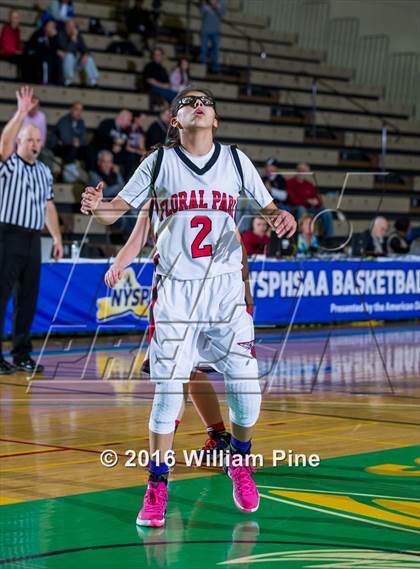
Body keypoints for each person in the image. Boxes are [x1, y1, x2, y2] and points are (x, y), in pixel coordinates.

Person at [81, 87, 296, 526]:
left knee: (246, 392)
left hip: (224, 293)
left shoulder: (236, 161)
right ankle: (157, 485)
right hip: (176, 292)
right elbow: (116, 212)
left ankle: (239, 459)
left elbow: (272, 210)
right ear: (175, 120)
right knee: (166, 395)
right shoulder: (159, 162)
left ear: (215, 118)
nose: (198, 104)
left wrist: (283, 218)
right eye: (187, 102)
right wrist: (95, 205)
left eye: (206, 102)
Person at [103, 207, 255, 456]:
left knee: (180, 375)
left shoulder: (204, 192)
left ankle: (171, 449)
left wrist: (244, 289)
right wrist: (118, 264)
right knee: (188, 373)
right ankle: (217, 437)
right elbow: (136, 238)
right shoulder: (164, 196)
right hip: (190, 298)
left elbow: (237, 246)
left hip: (203, 297)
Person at [0, 86, 63, 375]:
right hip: (7, 235)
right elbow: (3, 143)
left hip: (32, 239)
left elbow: (48, 206)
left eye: (38, 139)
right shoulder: (9, 164)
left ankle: (22, 353)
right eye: (30, 139)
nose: (35, 144)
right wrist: (21, 113)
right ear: (20, 141)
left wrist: (57, 238)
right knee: (1, 296)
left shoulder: (43, 171)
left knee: (28, 299)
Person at [287, 162, 333, 238]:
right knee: (301, 209)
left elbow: (319, 202)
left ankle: (328, 239)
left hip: (309, 209)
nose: (302, 172)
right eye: (300, 170)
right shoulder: (290, 183)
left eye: (304, 170)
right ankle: (303, 239)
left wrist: (316, 202)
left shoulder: (309, 184)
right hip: (294, 209)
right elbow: (293, 200)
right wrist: (307, 201)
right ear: (296, 171)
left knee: (326, 212)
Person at [51, 101, 95, 177]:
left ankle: (91, 174)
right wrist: (74, 141)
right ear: (71, 110)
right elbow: (65, 138)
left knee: (88, 150)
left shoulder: (81, 122)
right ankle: (68, 175)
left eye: (81, 110)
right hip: (58, 147)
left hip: (73, 147)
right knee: (71, 149)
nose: (79, 112)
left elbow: (83, 137)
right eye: (76, 109)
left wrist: (78, 142)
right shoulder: (63, 120)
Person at [93, 109, 137, 180]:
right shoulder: (107, 123)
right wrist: (113, 143)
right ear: (121, 118)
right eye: (128, 120)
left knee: (130, 156)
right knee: (100, 153)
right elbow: (99, 137)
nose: (129, 123)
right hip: (103, 149)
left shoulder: (125, 130)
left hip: (116, 153)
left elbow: (124, 144)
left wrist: (119, 146)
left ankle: (127, 181)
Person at [58, 19, 99, 86]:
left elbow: (85, 49)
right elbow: (67, 50)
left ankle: (93, 81)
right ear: (66, 26)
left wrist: (85, 55)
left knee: (88, 58)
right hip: (63, 62)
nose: (72, 28)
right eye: (70, 26)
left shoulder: (77, 35)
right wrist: (73, 39)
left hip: (74, 62)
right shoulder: (61, 34)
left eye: (73, 26)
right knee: (69, 56)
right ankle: (68, 80)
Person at [24, 19, 61, 84]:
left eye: (52, 27)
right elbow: (30, 46)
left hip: (48, 58)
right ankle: (43, 81)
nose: (50, 28)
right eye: (49, 26)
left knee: (53, 59)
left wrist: (53, 37)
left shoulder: (55, 37)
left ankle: (51, 81)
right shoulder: (38, 33)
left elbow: (56, 49)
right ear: (45, 26)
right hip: (36, 56)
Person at [200, 0, 225, 74]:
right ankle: (202, 67)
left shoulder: (222, 3)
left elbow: (222, 13)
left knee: (216, 50)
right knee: (203, 49)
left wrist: (215, 6)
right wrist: (205, 5)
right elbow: (201, 12)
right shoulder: (205, 2)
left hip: (216, 30)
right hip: (205, 29)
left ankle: (215, 68)